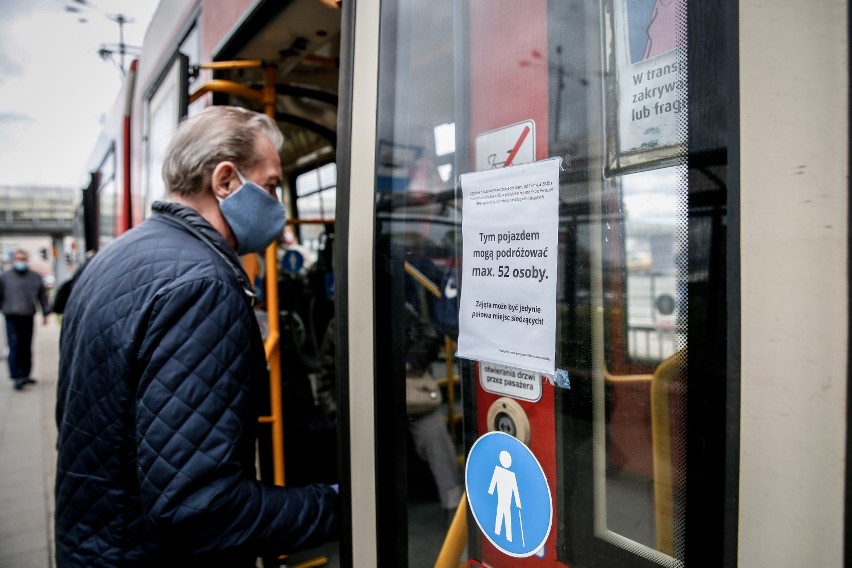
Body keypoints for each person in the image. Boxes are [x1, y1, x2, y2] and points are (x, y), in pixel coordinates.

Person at [54, 106, 338, 567]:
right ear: (225, 180)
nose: (278, 210)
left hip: (97, 543)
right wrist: (335, 506)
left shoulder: (114, 257)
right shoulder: (203, 286)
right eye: (270, 187)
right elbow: (201, 508)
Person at [0, 249, 49, 390]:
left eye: (23, 259)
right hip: (12, 316)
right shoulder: (5, 277)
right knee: (15, 345)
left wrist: (46, 314)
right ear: (14, 260)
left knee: (27, 346)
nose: (21, 262)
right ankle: (17, 376)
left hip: (28, 315)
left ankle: (26, 374)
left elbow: (42, 297)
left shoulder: (35, 277)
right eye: (18, 259)